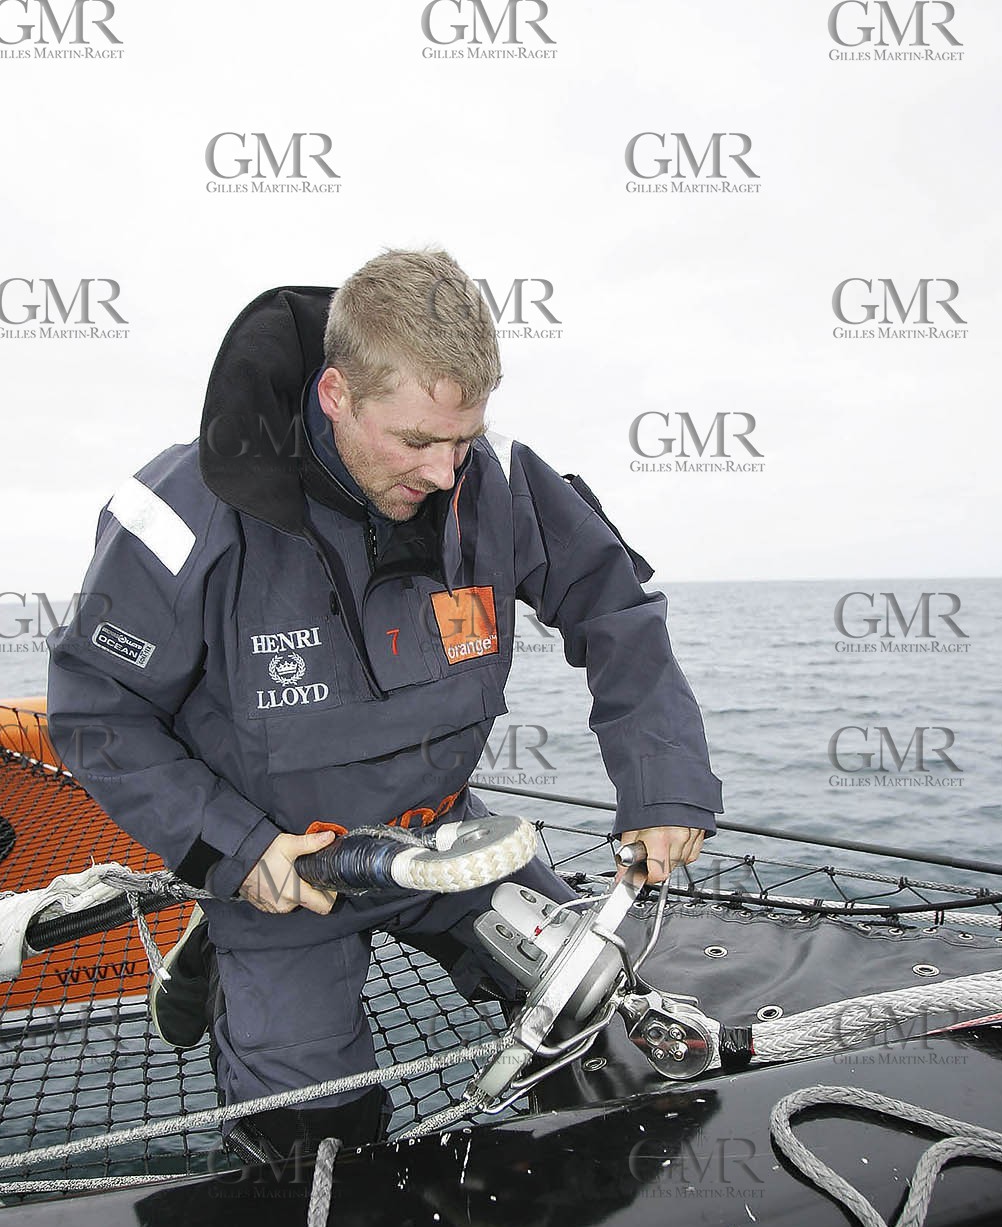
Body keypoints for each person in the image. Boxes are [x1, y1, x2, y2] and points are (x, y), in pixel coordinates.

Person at [46, 248, 723, 1159]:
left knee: (591, 996)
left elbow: (616, 611)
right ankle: (223, 945)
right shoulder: (188, 505)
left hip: (444, 843)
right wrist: (240, 854)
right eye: (416, 443)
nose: (448, 473)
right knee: (318, 1144)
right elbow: (99, 709)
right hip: (287, 869)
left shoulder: (504, 481)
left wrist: (665, 787)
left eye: (464, 439)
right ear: (336, 395)